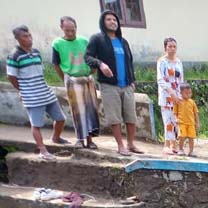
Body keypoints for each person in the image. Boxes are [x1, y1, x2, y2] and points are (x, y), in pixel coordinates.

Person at [85, 10, 143, 156]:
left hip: (127, 85)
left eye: (115, 20)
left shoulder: (123, 42)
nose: (113, 22)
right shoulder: (97, 39)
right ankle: (120, 146)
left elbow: (129, 62)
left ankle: (130, 144)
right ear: (103, 23)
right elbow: (88, 57)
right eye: (109, 20)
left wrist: (132, 81)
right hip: (109, 86)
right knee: (114, 118)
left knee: (131, 117)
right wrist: (101, 64)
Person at [6, 25, 67, 161]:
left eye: (29, 35)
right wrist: (22, 90)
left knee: (61, 118)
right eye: (25, 36)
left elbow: (40, 72)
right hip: (31, 96)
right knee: (36, 124)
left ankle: (56, 137)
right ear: (18, 39)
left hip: (45, 91)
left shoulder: (36, 52)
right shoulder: (14, 56)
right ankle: (42, 150)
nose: (29, 38)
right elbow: (11, 77)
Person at [52, 16, 99, 149]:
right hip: (72, 78)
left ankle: (90, 140)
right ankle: (80, 139)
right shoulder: (57, 44)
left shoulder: (83, 41)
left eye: (73, 30)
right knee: (77, 111)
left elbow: (92, 57)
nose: (71, 33)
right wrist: (65, 78)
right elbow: (56, 64)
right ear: (62, 28)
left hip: (87, 77)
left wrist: (92, 71)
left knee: (90, 109)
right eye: (67, 31)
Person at [157, 37, 183, 155]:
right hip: (167, 95)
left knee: (176, 120)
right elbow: (160, 79)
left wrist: (181, 94)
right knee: (168, 120)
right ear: (165, 48)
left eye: (174, 46)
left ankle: (174, 144)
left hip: (178, 95)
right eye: (170, 46)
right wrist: (171, 92)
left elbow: (181, 79)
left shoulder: (178, 62)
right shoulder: (162, 62)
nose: (172, 49)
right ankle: (166, 145)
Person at [174, 83, 199, 156]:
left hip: (191, 123)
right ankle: (180, 149)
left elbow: (196, 112)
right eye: (186, 93)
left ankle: (191, 151)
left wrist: (197, 122)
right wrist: (176, 119)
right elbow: (175, 112)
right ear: (181, 93)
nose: (188, 95)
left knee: (191, 137)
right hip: (181, 122)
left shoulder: (192, 102)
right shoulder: (178, 101)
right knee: (182, 136)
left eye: (190, 93)